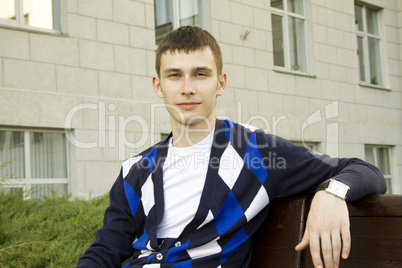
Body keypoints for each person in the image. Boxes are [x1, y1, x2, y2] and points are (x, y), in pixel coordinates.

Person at [77, 26, 386, 268]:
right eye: (174, 75)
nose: (187, 88)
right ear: (159, 86)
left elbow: (366, 170)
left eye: (200, 74)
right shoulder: (136, 170)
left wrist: (331, 193)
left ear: (220, 83)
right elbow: (107, 250)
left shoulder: (256, 151)